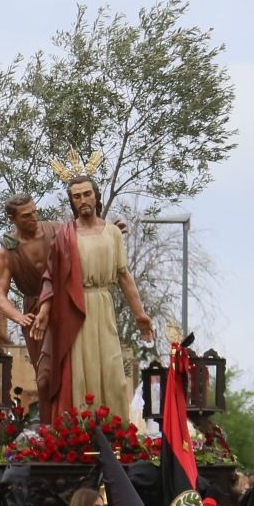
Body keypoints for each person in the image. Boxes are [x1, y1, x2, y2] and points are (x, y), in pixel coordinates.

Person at [43, 173, 156, 424]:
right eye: (76, 196)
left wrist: (140, 314)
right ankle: (80, 432)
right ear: (71, 201)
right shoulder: (64, 236)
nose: (83, 200)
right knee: (82, 374)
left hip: (103, 306)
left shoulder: (112, 233)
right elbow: (51, 276)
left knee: (113, 372)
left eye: (87, 194)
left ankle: (114, 431)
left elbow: (124, 275)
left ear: (96, 196)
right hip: (75, 309)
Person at [0, 194, 54, 400]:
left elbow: (85, 231)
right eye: (27, 216)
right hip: (33, 311)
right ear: (13, 219)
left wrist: (110, 230)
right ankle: (50, 424)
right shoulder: (7, 251)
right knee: (44, 375)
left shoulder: (56, 230)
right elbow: (1, 295)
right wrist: (18, 316)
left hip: (61, 304)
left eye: (35, 212)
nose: (33, 218)